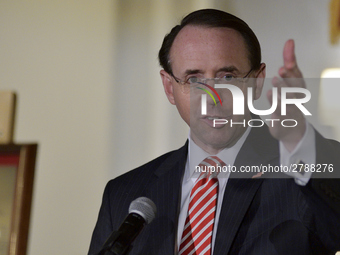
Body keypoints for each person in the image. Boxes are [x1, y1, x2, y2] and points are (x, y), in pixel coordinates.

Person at [88, 9, 340, 254]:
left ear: (257, 81)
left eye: (227, 77)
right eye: (194, 80)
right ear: (169, 87)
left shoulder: (304, 174)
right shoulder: (123, 195)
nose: (212, 98)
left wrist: (301, 144)